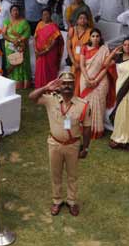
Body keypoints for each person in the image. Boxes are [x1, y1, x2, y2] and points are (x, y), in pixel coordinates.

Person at [28, 71, 91, 216]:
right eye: (64, 83)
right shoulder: (51, 99)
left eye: (70, 83)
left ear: (74, 85)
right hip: (54, 144)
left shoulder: (83, 105)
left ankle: (72, 201)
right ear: (59, 85)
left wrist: (85, 148)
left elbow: (87, 128)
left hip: (72, 145)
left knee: (72, 175)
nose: (67, 86)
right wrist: (45, 88)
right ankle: (57, 200)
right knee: (55, 173)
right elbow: (31, 97)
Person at [78, 28, 117, 139]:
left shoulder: (104, 49)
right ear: (90, 37)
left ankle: (97, 130)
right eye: (93, 36)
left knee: (98, 106)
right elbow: (82, 65)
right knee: (85, 105)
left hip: (101, 81)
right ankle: (85, 128)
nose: (95, 38)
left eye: (97, 36)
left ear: (100, 38)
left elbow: (106, 67)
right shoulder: (84, 48)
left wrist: (96, 81)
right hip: (85, 79)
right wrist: (87, 79)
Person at [3, 4, 32, 89]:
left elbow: (27, 34)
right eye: (13, 10)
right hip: (10, 47)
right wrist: (12, 41)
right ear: (10, 12)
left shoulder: (24, 22)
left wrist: (18, 41)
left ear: (19, 12)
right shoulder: (7, 21)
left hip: (21, 46)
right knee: (12, 62)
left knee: (22, 64)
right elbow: (4, 34)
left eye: (17, 10)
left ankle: (24, 85)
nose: (15, 12)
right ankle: (12, 84)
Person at [33, 7, 64, 89]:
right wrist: (36, 49)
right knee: (40, 70)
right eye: (43, 15)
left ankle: (50, 88)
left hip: (50, 53)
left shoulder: (54, 26)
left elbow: (55, 41)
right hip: (39, 53)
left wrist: (46, 50)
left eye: (47, 14)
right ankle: (39, 87)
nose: (45, 16)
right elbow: (35, 38)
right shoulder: (39, 24)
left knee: (49, 70)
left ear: (50, 15)